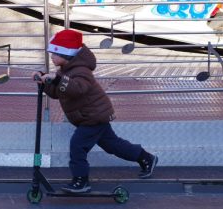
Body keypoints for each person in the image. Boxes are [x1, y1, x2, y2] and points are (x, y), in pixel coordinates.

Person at [32, 29, 158, 193]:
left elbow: (77, 89)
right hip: (91, 116)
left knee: (77, 146)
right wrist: (44, 82)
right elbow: (58, 93)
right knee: (113, 145)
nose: (51, 57)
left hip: (93, 117)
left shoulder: (81, 70)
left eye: (54, 54)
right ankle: (146, 158)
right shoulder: (65, 70)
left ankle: (81, 180)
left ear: (66, 54)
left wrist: (56, 79)